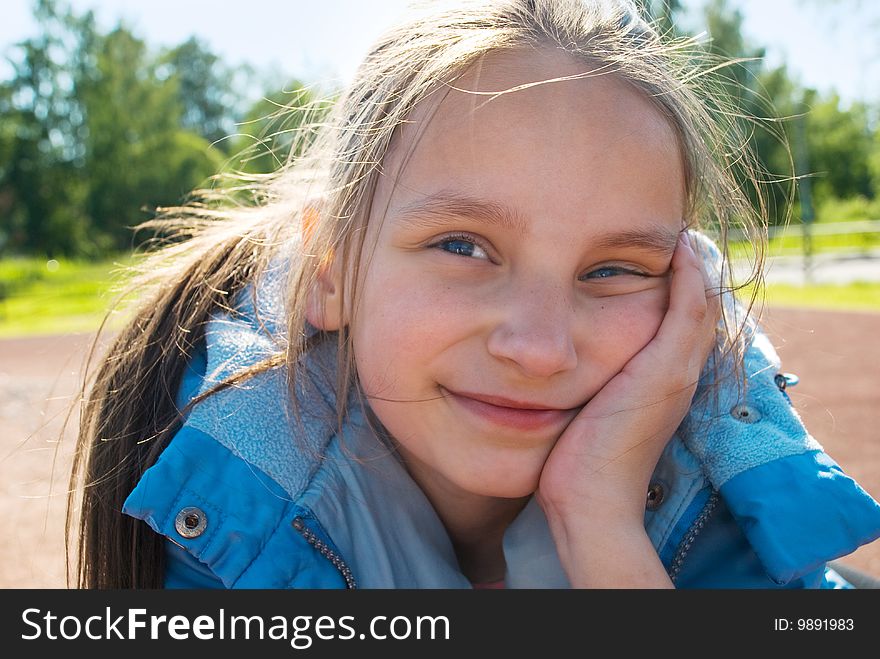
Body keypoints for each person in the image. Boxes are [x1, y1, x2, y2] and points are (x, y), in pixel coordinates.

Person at [68, 0, 880, 589]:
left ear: (689, 297)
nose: (539, 348)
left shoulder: (727, 480)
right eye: (463, 246)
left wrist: (599, 523)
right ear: (330, 269)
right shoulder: (230, 493)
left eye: (613, 268)